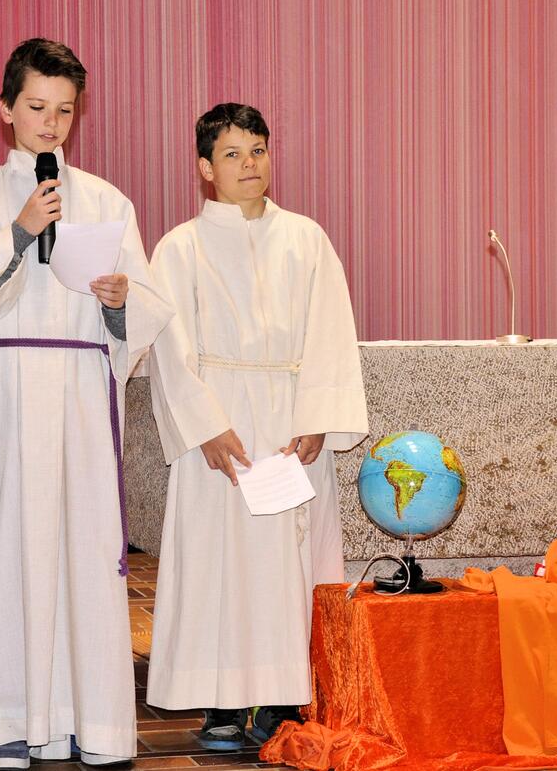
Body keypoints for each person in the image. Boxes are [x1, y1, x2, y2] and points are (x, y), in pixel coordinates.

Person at [0, 38, 172, 769]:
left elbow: (148, 307)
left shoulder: (106, 200)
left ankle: (91, 720)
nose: (51, 123)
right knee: (11, 546)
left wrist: (123, 301)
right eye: (36, 107)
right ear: (6, 109)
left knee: (89, 555)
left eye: (65, 110)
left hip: (84, 392)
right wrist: (21, 229)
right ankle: (7, 718)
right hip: (13, 388)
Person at [145, 103, 368, 748]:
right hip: (222, 432)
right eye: (234, 154)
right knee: (219, 565)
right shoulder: (179, 248)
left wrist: (318, 420)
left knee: (288, 566)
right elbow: (168, 350)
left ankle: (284, 695)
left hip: (289, 429)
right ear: (204, 168)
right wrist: (206, 428)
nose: (250, 165)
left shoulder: (306, 239)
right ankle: (220, 701)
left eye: (260, 150)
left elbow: (331, 330)